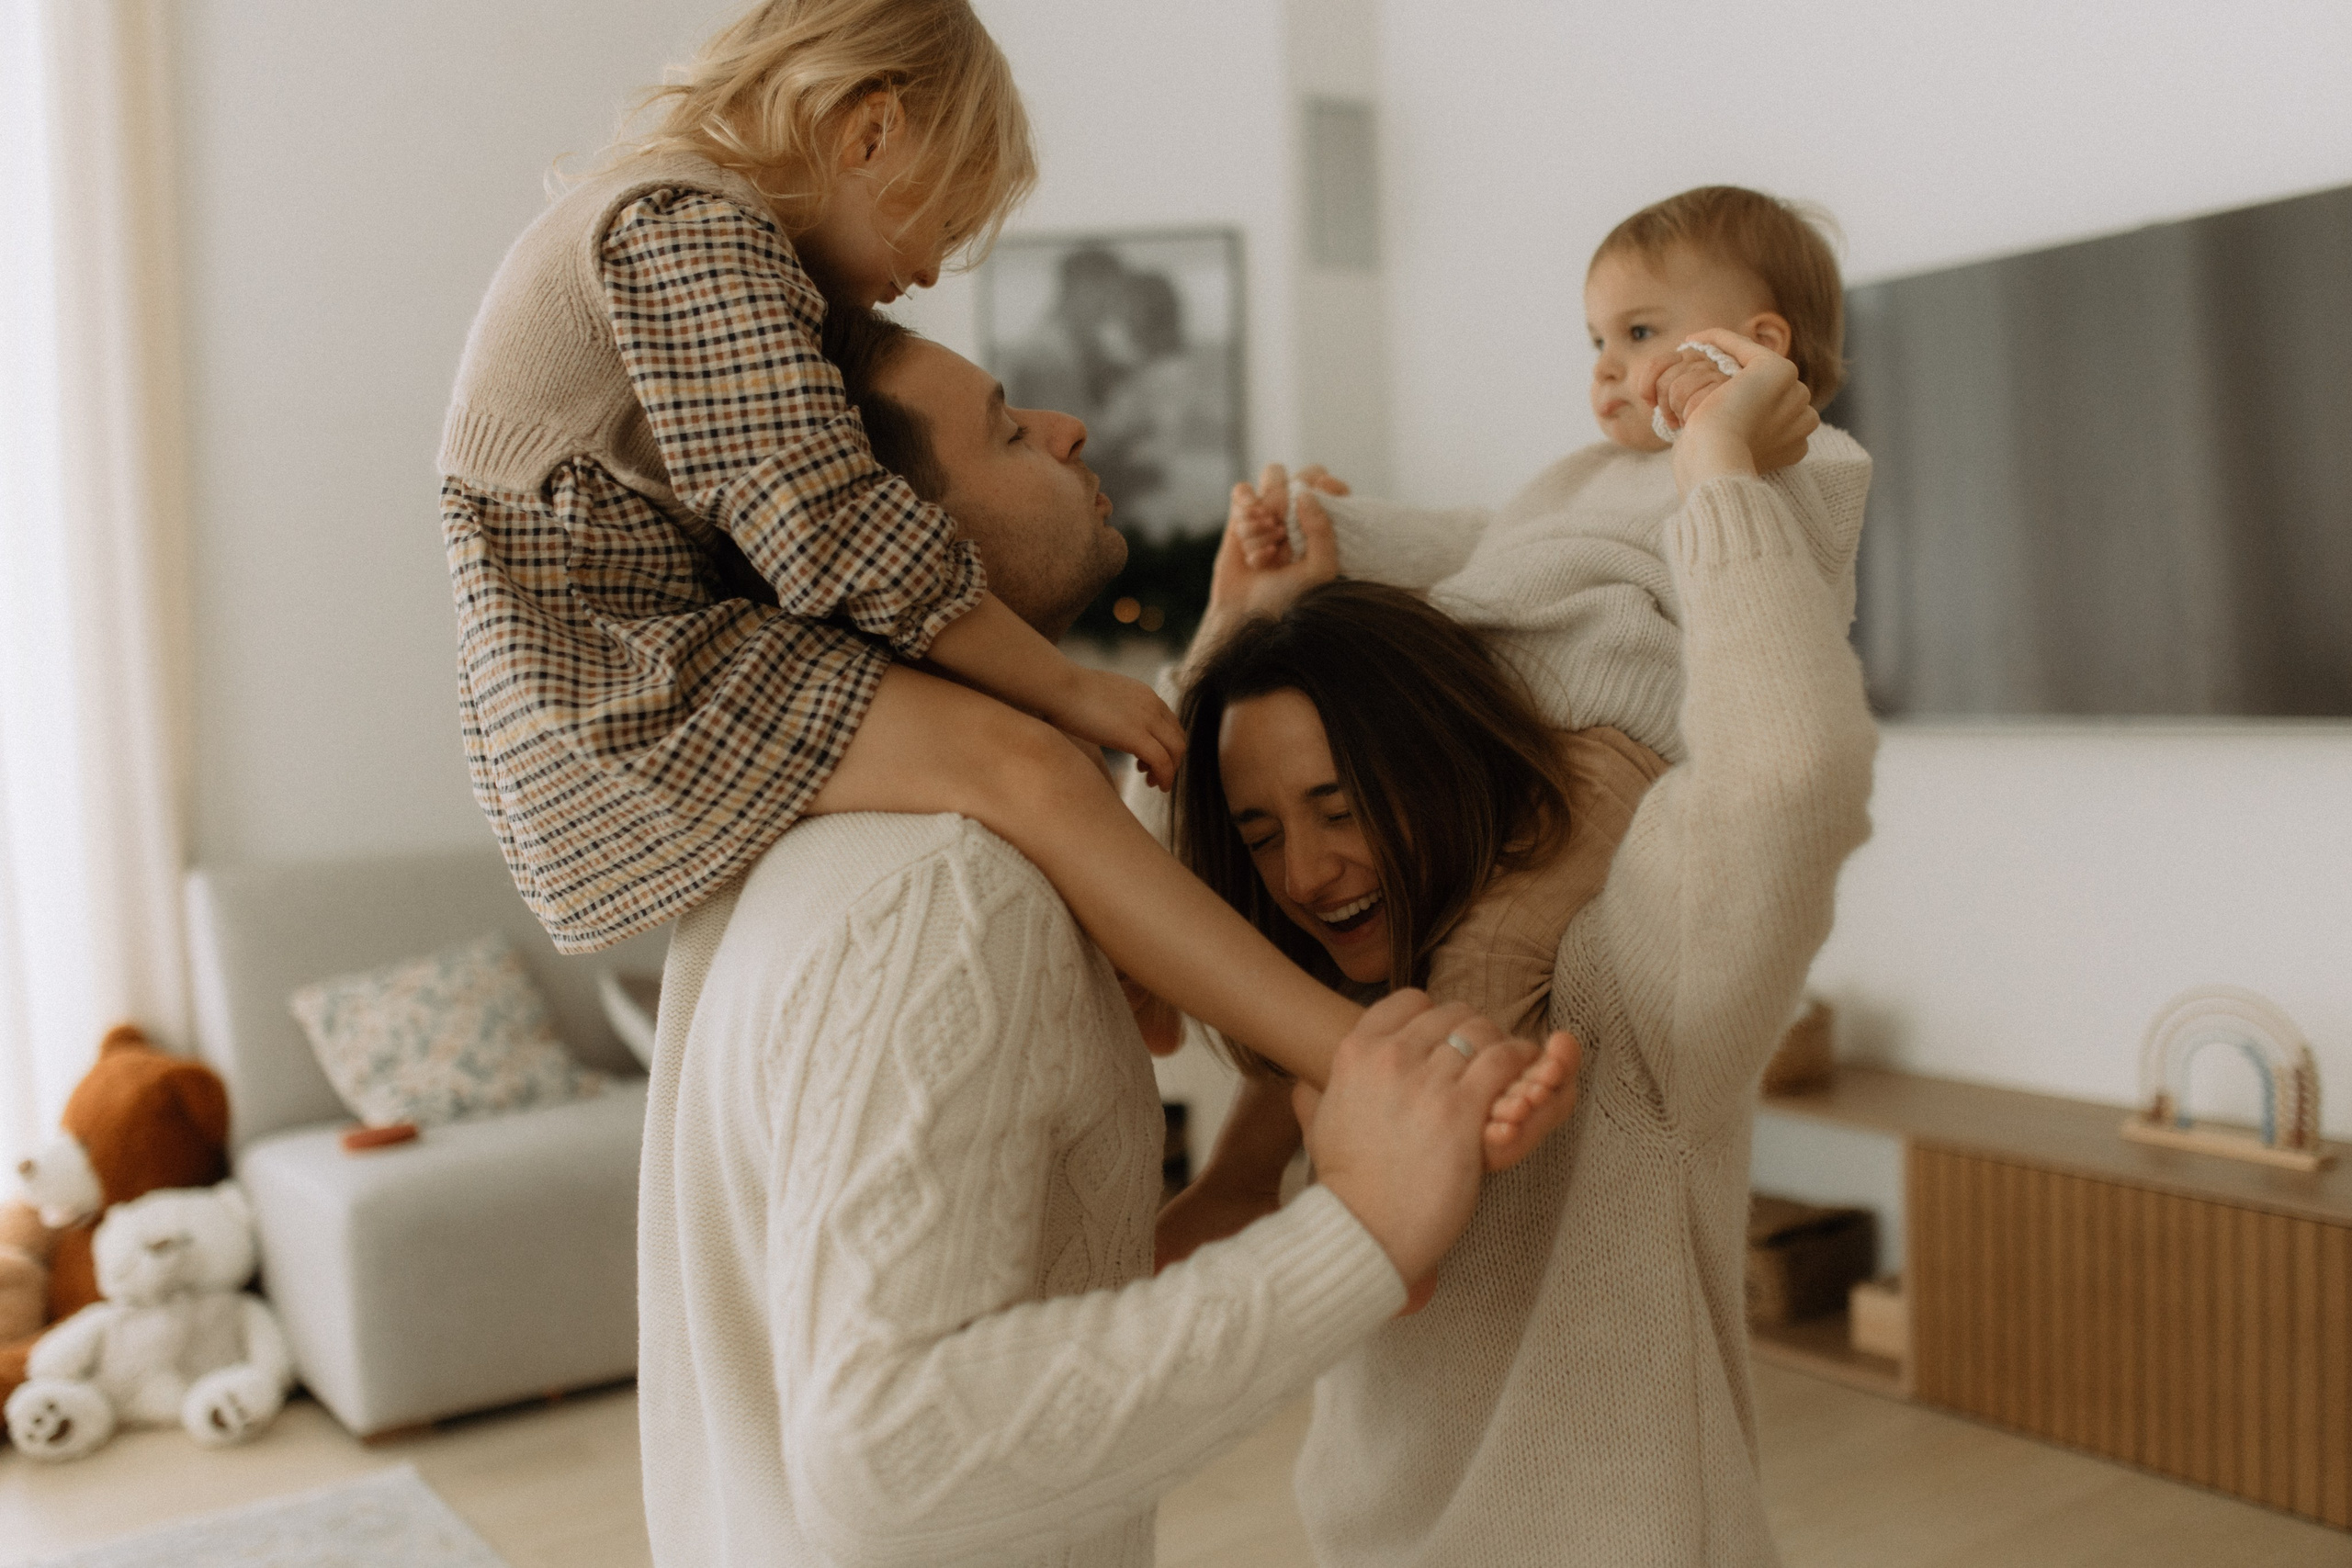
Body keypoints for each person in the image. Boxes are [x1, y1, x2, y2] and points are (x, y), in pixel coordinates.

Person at [435, 0, 1565, 1138]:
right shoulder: (683, 228)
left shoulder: (676, 230)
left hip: (626, 647)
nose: (925, 271)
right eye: (939, 223)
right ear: (869, 130)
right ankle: (1363, 1057)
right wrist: (1067, 685)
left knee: (1031, 753)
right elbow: (821, 520)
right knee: (1027, 759)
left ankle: (1165, 978)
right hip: (621, 665)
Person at [635, 312, 1574, 1567]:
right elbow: (889, 1455)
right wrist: (1356, 1234)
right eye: (1008, 432)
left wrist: (1229, 637)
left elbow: (1108, 864)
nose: (1068, 427)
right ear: (888, 550)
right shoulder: (944, 896)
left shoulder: (805, 844)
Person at [1167, 332, 1879, 1565]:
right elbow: (1138, 895)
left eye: (1341, 807)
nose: (1306, 873)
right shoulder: (1331, 1032)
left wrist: (1717, 469)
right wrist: (1233, 623)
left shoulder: (1616, 987)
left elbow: (1788, 774)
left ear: (1439, 764)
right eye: (1263, 833)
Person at [1227, 185, 1872, 765]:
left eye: (1638, 331)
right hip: (1476, 692)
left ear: (1761, 346)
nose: (1604, 366)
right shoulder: (1588, 473)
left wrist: (1725, 433)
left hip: (1606, 737)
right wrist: (1324, 527)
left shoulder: (1809, 460)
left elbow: (1788, 593)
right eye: (1597, 341)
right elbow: (1478, 543)